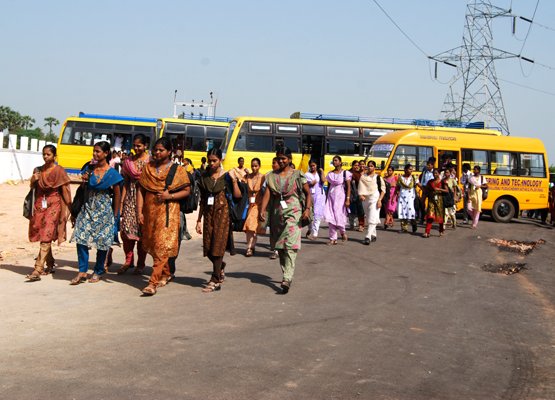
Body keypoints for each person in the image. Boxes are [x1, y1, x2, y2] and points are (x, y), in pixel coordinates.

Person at [137, 137, 191, 295]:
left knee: (162, 244)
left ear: (169, 152)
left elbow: (186, 191)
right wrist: (139, 211)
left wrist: (170, 196)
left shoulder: (178, 170)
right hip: (149, 212)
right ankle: (166, 273)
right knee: (153, 243)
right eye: (155, 150)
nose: (157, 153)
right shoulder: (148, 168)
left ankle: (152, 283)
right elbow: (141, 190)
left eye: (161, 150)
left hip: (168, 213)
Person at [259, 147, 312, 294]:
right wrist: (262, 210)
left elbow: (308, 193)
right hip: (277, 215)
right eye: (279, 158)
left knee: (290, 244)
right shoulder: (271, 176)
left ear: (289, 159)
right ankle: (286, 274)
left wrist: (307, 209)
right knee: (280, 247)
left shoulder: (297, 175)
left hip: (294, 213)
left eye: (284, 158)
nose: (282, 161)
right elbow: (267, 194)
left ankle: (287, 278)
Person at [70, 141, 123, 284]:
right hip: (87, 207)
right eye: (94, 151)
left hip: (104, 209)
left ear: (106, 154)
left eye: (98, 151)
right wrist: (85, 181)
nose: (95, 154)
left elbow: (117, 194)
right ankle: (82, 270)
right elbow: (82, 189)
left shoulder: (112, 173)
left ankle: (98, 270)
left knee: (102, 242)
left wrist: (115, 214)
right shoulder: (89, 168)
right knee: (80, 237)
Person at [196, 148, 242, 293]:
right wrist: (198, 220)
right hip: (209, 215)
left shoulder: (227, 176)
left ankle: (215, 279)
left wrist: (234, 181)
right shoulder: (204, 177)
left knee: (218, 246)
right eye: (209, 160)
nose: (211, 163)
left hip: (223, 215)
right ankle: (220, 266)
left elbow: (238, 196)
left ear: (220, 160)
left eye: (214, 160)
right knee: (208, 248)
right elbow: (203, 200)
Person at [25, 145, 72, 281]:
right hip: (40, 204)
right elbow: (32, 187)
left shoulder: (59, 171)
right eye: (44, 154)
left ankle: (37, 269)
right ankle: (50, 263)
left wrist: (71, 208)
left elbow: (65, 191)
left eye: (48, 155)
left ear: (54, 156)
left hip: (54, 205)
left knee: (46, 234)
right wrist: (33, 180)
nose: (45, 157)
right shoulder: (38, 170)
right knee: (42, 233)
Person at [117, 134, 149, 275]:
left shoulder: (150, 162)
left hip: (146, 201)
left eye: (139, 146)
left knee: (142, 235)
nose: (136, 148)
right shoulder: (128, 161)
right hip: (130, 201)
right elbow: (125, 183)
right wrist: (122, 203)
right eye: (134, 146)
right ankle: (128, 261)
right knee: (126, 234)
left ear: (145, 146)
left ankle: (140, 264)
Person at [324, 155, 351, 245]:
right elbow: (328, 187)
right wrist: (326, 199)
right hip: (331, 198)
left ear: (340, 162)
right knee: (330, 216)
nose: (334, 162)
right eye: (333, 161)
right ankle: (333, 239)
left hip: (341, 198)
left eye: (336, 160)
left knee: (339, 215)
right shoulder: (330, 174)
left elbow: (349, 187)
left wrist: (347, 199)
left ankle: (342, 232)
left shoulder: (345, 173)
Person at [358, 160, 385, 245]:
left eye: (371, 166)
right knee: (369, 217)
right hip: (365, 200)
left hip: (375, 198)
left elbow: (383, 190)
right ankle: (374, 234)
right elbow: (360, 188)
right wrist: (361, 195)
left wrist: (380, 200)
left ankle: (368, 237)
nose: (370, 167)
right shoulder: (363, 177)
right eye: (368, 166)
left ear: (374, 167)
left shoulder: (378, 177)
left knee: (372, 217)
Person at [243, 158, 265, 256]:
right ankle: (250, 247)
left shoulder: (263, 177)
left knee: (253, 228)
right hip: (249, 205)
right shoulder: (248, 177)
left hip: (259, 205)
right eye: (252, 165)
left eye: (256, 165)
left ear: (259, 166)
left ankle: (250, 247)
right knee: (249, 227)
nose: (254, 167)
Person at [304, 160, 326, 240]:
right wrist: (310, 184)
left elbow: (323, 180)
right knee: (309, 213)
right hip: (310, 196)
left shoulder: (319, 174)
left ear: (316, 165)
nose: (312, 167)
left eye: (314, 165)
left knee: (317, 213)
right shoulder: (306, 175)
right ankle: (310, 228)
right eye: (311, 165)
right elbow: (304, 185)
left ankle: (315, 233)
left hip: (319, 195)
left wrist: (322, 171)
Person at [423, 169, 447, 238]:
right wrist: (423, 198)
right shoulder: (430, 182)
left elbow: (446, 190)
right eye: (434, 173)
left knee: (440, 216)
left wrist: (439, 189)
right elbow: (426, 191)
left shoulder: (443, 182)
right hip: (431, 200)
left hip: (439, 200)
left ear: (439, 174)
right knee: (430, 216)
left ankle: (441, 230)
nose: (435, 174)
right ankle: (427, 232)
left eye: (436, 173)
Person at [396, 164, 419, 233]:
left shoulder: (414, 178)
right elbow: (398, 187)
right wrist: (397, 193)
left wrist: (425, 189)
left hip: (410, 197)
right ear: (405, 170)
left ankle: (414, 224)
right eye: (409, 169)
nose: (411, 171)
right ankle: (404, 228)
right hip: (402, 197)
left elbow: (419, 184)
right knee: (402, 211)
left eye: (412, 169)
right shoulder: (400, 178)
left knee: (411, 211)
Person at [348, 160, 365, 232]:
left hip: (359, 194)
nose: (357, 167)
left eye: (358, 165)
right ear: (352, 166)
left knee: (360, 210)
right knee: (351, 210)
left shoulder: (360, 175)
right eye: (355, 165)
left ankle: (361, 225)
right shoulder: (348, 174)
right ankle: (351, 224)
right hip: (351, 194)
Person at [418, 159, 435, 224]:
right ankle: (423, 217)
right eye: (427, 165)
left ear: (432, 166)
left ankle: (429, 217)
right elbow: (422, 180)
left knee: (431, 204)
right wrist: (422, 187)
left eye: (429, 165)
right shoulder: (425, 172)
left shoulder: (434, 172)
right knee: (422, 202)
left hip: (431, 189)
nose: (428, 166)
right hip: (425, 188)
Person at [443, 165, 459, 229]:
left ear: (450, 173)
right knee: (445, 212)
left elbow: (455, 189)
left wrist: (455, 197)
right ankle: (444, 225)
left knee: (452, 213)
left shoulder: (453, 180)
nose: (446, 174)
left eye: (447, 172)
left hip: (451, 197)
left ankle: (454, 222)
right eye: (445, 172)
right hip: (445, 197)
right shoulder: (443, 180)